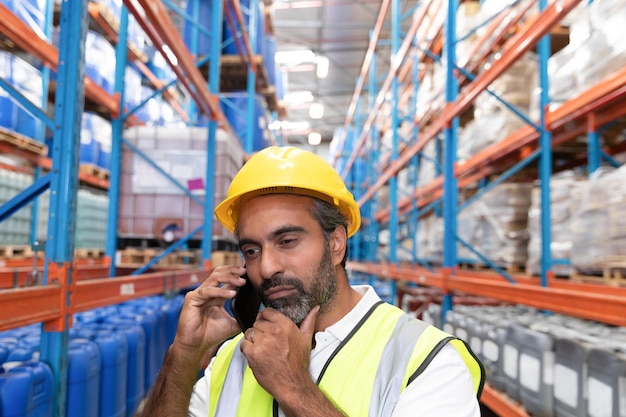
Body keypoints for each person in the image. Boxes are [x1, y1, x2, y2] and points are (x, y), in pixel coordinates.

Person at [137, 146, 484, 417]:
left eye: (287, 241)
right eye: (252, 249)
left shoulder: (425, 361)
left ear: (336, 244)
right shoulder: (234, 357)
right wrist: (184, 353)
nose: (266, 267)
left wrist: (295, 387)